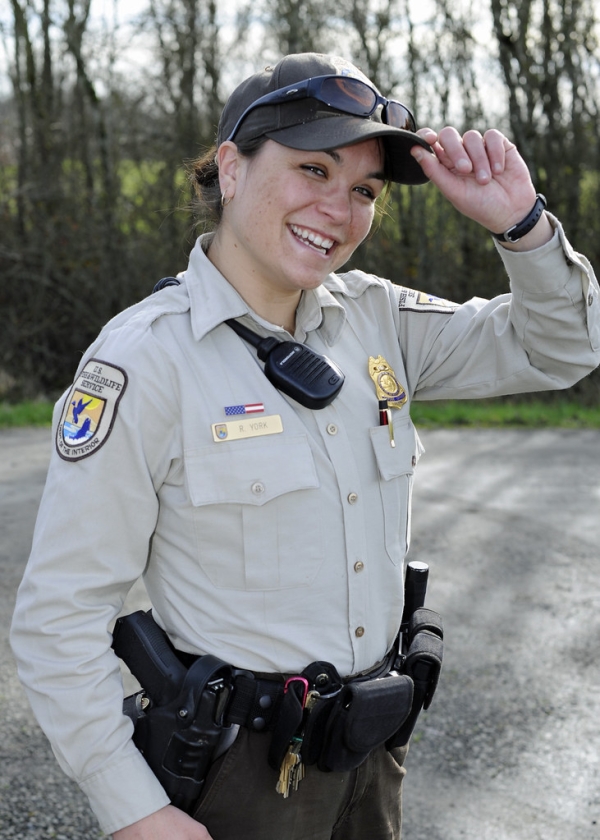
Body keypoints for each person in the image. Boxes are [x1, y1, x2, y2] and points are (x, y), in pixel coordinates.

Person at [10, 51, 600, 840]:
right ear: (229, 167)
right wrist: (136, 810)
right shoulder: (142, 361)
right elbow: (59, 618)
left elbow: (560, 346)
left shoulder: (378, 320)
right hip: (235, 782)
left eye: (363, 190)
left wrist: (520, 227)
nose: (339, 209)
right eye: (312, 169)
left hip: (371, 758)